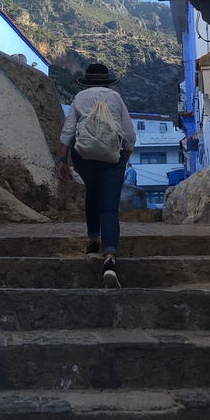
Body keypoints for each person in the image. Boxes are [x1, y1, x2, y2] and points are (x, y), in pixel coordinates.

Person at [57, 62, 136, 288]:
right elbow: (129, 135)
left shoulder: (79, 98)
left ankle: (93, 243)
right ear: (107, 80)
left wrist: (63, 160)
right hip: (113, 155)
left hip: (83, 155)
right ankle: (110, 259)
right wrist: (123, 161)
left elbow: (68, 131)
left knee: (92, 191)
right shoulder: (115, 98)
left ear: (88, 81)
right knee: (109, 207)